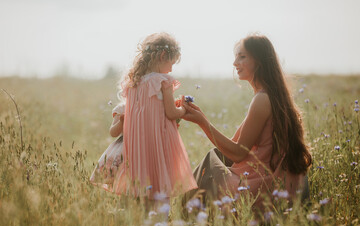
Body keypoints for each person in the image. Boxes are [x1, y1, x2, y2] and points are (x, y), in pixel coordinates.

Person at [182, 34, 312, 211]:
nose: (235, 63)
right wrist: (200, 117)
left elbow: (237, 154)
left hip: (264, 189)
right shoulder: (272, 95)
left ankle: (186, 218)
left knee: (210, 163)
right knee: (216, 156)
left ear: (259, 60)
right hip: (278, 184)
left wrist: (202, 122)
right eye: (236, 57)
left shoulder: (262, 99)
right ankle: (192, 218)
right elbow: (229, 151)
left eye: (242, 57)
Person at [113, 32, 197, 200]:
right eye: (171, 63)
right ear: (163, 56)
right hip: (158, 141)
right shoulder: (162, 81)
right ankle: (160, 222)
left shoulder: (132, 84)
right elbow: (171, 113)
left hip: (137, 147)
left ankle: (140, 220)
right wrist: (184, 110)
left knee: (140, 186)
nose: (171, 68)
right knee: (160, 182)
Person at [90, 102, 125, 192]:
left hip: (143, 146)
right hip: (124, 148)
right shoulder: (122, 108)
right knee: (122, 182)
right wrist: (121, 122)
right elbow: (113, 132)